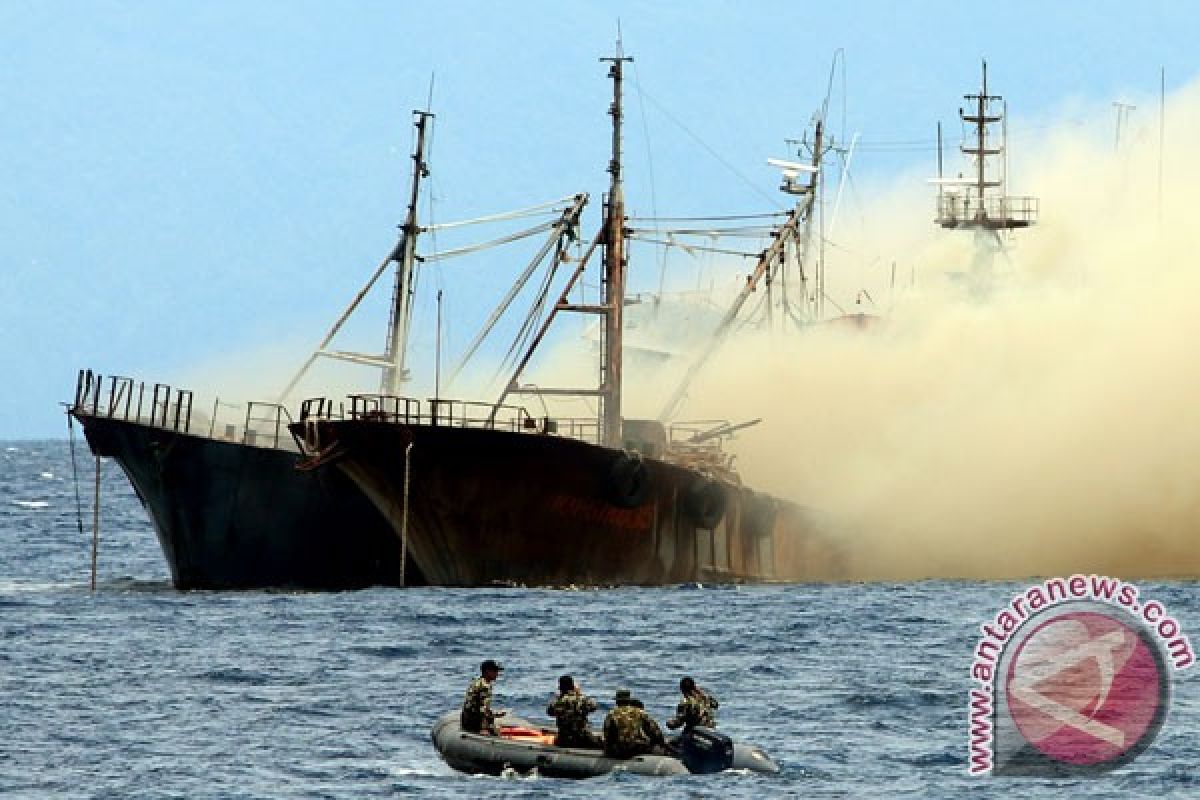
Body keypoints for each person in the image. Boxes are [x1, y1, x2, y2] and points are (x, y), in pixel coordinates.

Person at [603, 688, 668, 759]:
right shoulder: (640, 712)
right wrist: (661, 744)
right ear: (629, 700)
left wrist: (608, 751)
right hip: (638, 747)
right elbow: (655, 730)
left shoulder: (611, 714)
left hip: (620, 749)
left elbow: (607, 734)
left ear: (617, 701)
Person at [546, 675, 603, 749]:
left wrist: (560, 697)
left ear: (560, 688)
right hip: (582, 739)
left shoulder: (557, 702)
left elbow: (549, 712)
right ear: (573, 686)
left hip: (563, 740)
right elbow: (594, 706)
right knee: (601, 742)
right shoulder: (581, 699)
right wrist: (578, 693)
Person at [460, 659, 505, 735]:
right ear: (487, 671)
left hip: (466, 720)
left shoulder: (477, 681)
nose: (497, 674)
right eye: (495, 671)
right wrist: (483, 728)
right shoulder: (485, 686)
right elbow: (482, 709)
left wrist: (495, 714)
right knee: (497, 732)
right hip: (474, 723)